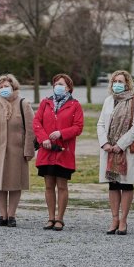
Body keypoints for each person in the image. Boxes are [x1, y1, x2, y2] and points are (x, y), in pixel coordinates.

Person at [0, 73, 35, 227]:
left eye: (6, 86)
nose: (4, 89)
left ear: (13, 87)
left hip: (17, 151)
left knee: (15, 183)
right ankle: (2, 215)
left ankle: (12, 216)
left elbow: (31, 129)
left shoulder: (24, 104)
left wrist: (28, 150)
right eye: (1, 87)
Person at [34, 73, 84, 231]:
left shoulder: (75, 105)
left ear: (69, 87)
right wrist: (43, 139)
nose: (58, 86)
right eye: (56, 83)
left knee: (62, 185)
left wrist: (61, 133)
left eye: (61, 84)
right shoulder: (45, 102)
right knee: (49, 185)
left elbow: (78, 127)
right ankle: (50, 217)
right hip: (47, 151)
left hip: (64, 152)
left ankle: (59, 219)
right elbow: (37, 122)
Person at [97, 70, 134, 235]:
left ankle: (123, 219)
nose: (117, 84)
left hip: (126, 150)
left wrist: (120, 144)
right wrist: (105, 143)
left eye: (120, 81)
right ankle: (114, 218)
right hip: (109, 150)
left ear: (127, 83)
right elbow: (100, 123)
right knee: (113, 184)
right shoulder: (108, 100)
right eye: (115, 81)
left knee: (126, 184)